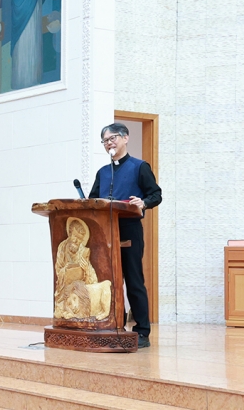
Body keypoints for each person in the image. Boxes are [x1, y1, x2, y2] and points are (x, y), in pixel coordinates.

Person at [88, 123, 162, 348]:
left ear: (125, 138)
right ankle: (113, 325)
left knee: (133, 280)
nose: (109, 143)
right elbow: (92, 200)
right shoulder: (103, 172)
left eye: (113, 138)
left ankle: (142, 331)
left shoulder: (139, 167)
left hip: (129, 229)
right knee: (108, 280)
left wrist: (144, 202)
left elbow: (156, 194)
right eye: (105, 140)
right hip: (105, 232)